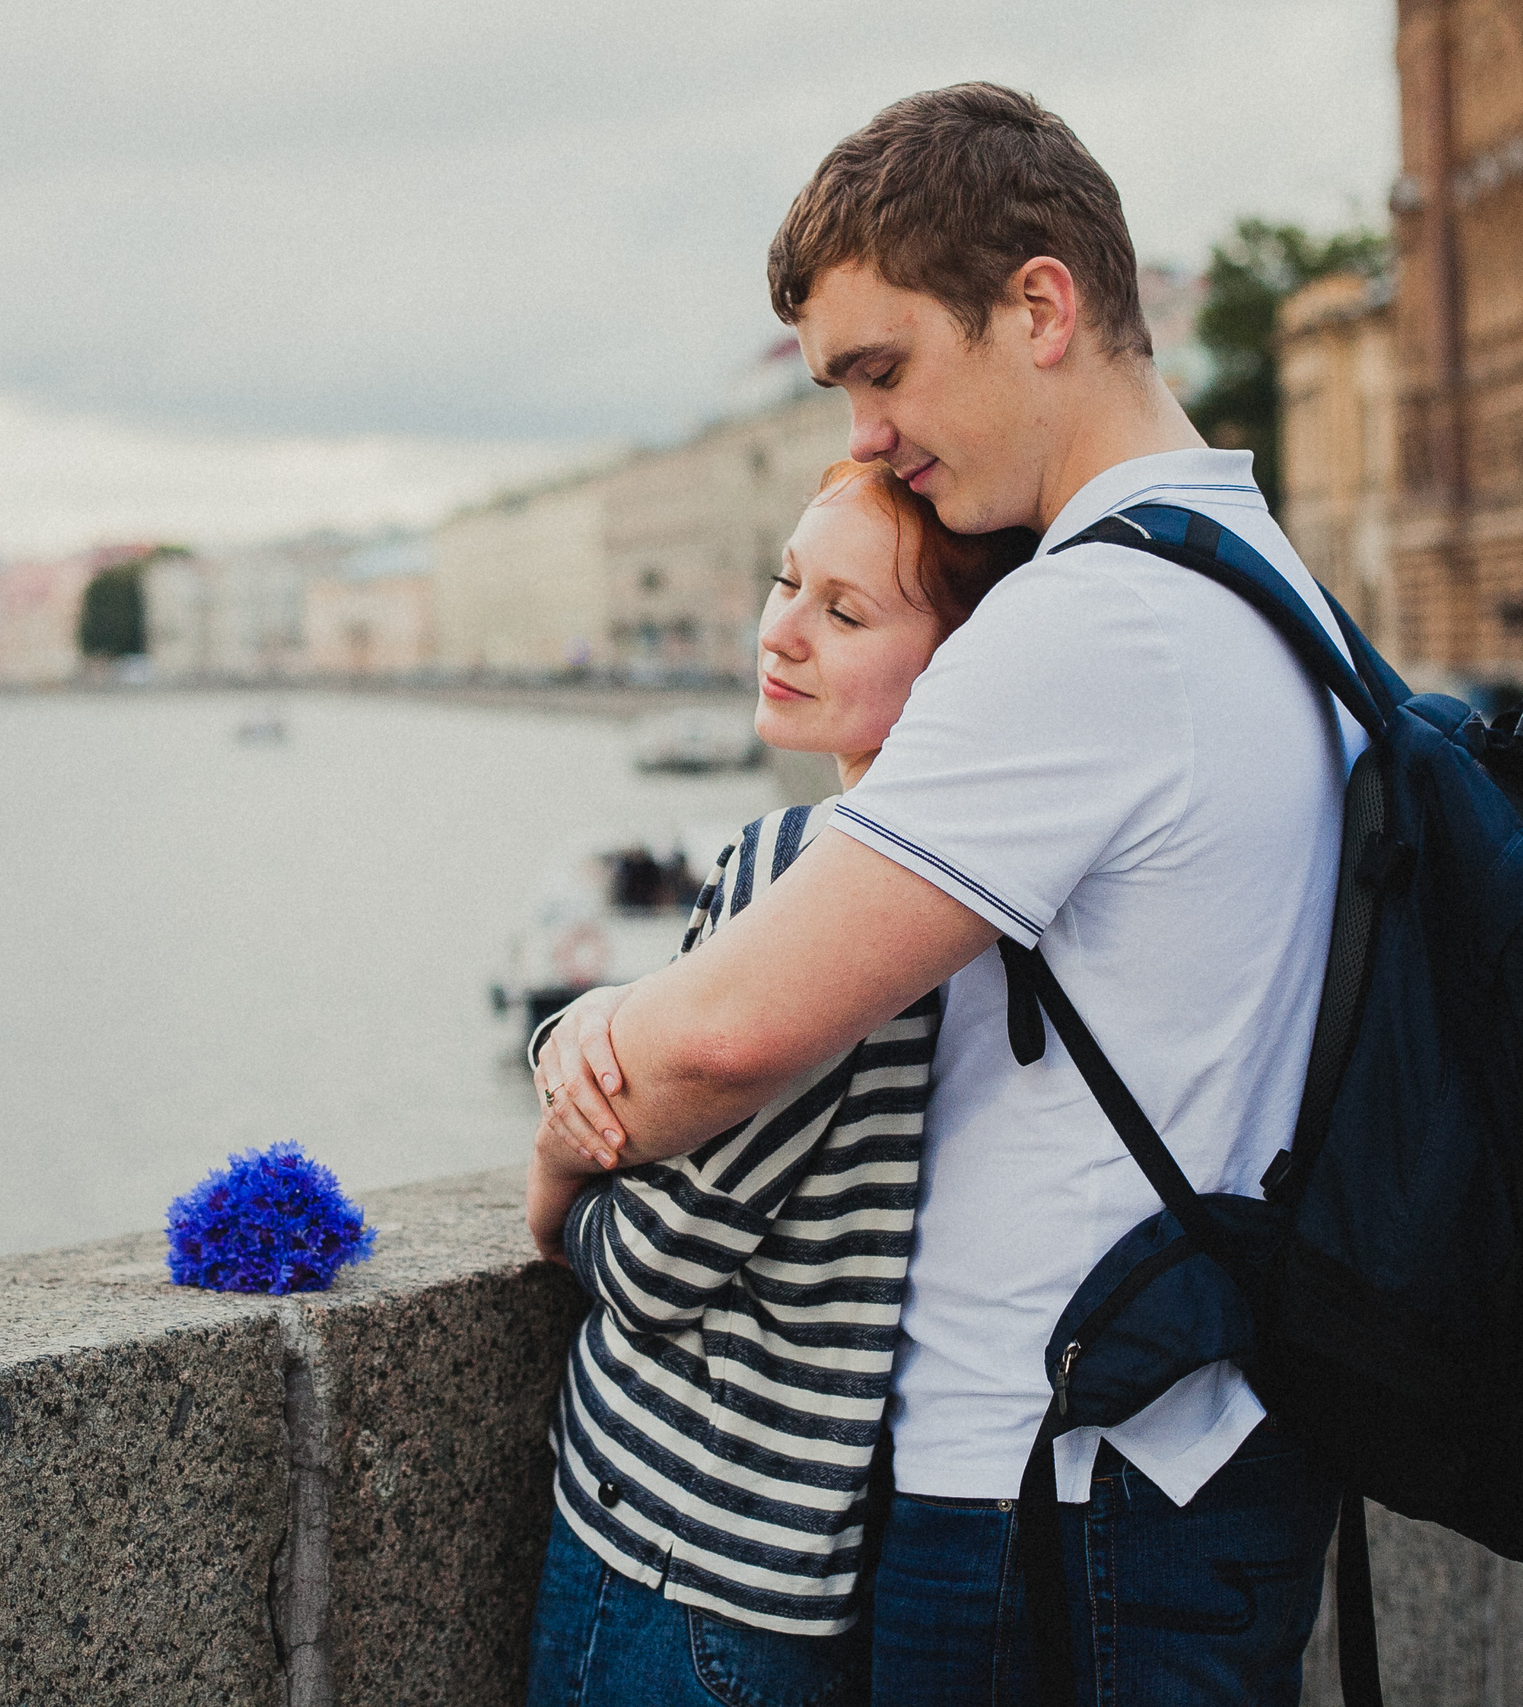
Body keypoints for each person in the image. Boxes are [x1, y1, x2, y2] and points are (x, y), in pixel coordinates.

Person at [532, 84, 1366, 1705]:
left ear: (1040, 306)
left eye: (882, 368)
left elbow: (710, 1046)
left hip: (1061, 1485)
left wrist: (572, 1067)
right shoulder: (1272, 585)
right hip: (1209, 1438)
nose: (864, 433)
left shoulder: (1093, 625)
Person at [523, 460, 1035, 1707]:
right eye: (787, 581)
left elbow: (658, 1259)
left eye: (845, 613)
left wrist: (552, 1179)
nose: (782, 630)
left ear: (958, 673)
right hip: (817, 1560)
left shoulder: (808, 867)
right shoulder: (991, 891)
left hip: (673, 1542)